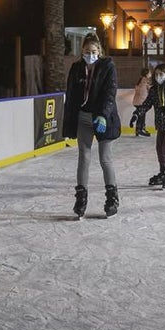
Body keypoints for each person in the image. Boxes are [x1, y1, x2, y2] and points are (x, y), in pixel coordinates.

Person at [61, 34, 122, 218]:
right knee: (84, 157)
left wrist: (103, 115)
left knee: (105, 158)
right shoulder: (76, 68)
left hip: (103, 119)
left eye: (94, 51)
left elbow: (110, 92)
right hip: (83, 118)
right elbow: (71, 95)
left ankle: (112, 199)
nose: (90, 54)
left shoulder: (107, 67)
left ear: (100, 52)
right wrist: (70, 120)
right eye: (87, 51)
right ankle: (81, 199)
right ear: (82, 52)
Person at [129, 67, 152, 137]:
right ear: (147, 74)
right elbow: (150, 88)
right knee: (142, 115)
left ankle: (138, 129)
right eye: (150, 73)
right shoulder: (146, 80)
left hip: (136, 101)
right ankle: (141, 129)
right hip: (143, 100)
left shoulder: (140, 80)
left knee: (140, 115)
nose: (151, 74)